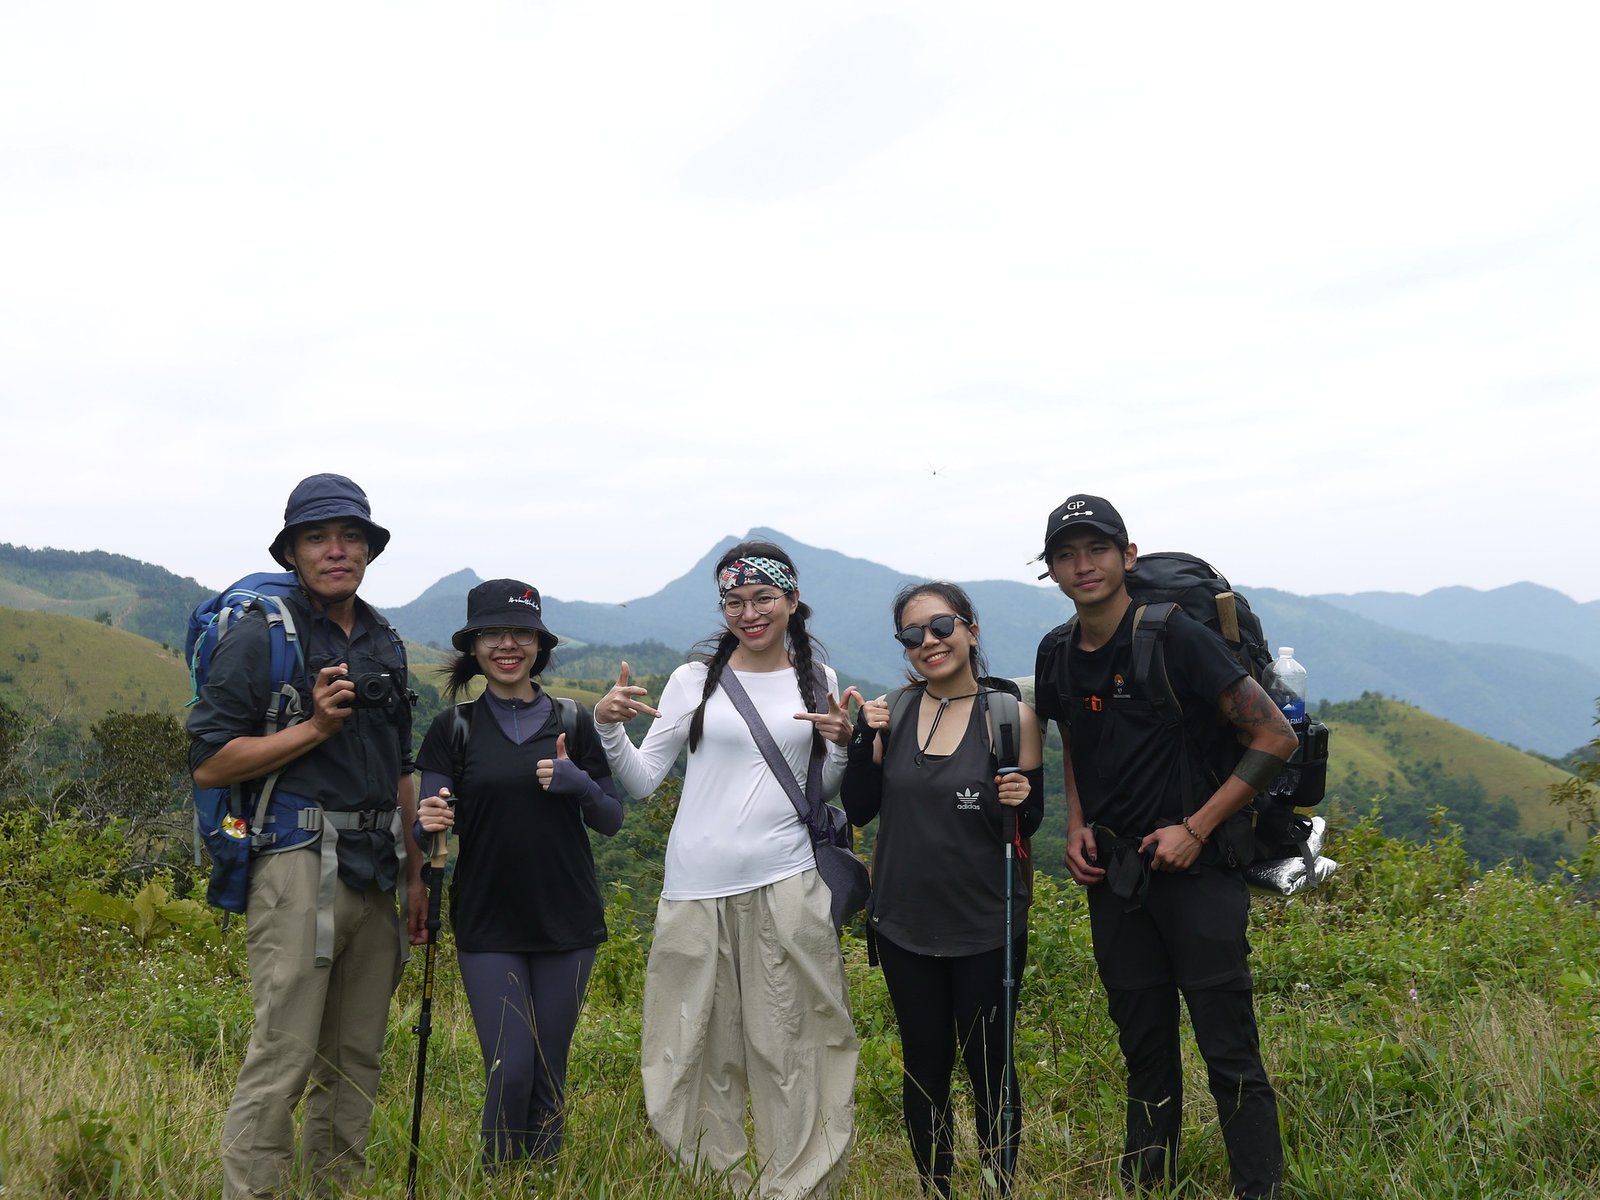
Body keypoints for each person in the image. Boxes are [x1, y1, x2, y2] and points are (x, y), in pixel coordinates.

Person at [1031, 495, 1297, 1200]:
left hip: (1200, 874)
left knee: (1228, 1048)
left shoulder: (1177, 636)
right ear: (1051, 569)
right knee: (1143, 1051)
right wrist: (1077, 826)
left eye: (1097, 550)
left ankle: (1258, 1189)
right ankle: (1147, 1186)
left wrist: (1197, 828)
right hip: (1117, 879)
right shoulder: (1057, 650)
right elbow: (1073, 746)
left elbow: (1274, 735)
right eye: (1067, 554)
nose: (1083, 565)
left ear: (1128, 556)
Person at [592, 539, 860, 1200]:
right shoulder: (693, 681)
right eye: (735, 600)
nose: (749, 611)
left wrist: (845, 748)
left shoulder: (816, 679)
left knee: (794, 1047)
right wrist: (605, 727)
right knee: (689, 1053)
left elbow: (816, 792)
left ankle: (795, 1189)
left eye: (763, 597)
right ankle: (724, 1185)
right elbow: (642, 781)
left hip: (788, 883)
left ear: (793, 601)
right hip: (694, 889)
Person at [187, 473, 426, 1199]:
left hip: (375, 868)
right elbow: (208, 762)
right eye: (319, 537)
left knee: (356, 1061)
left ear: (368, 549)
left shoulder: (383, 636)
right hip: (296, 863)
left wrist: (417, 873)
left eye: (351, 537)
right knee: (283, 1055)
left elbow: (401, 766)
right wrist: (315, 729)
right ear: (292, 550)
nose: (337, 551)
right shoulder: (261, 636)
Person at [413, 578, 623, 1173]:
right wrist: (426, 822)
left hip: (568, 917)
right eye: (493, 635)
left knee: (549, 1072)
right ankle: (499, 1178)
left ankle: (543, 1181)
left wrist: (576, 781)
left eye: (520, 633)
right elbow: (430, 822)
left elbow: (609, 817)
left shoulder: (574, 722)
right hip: (488, 918)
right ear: (474, 646)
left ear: (538, 644)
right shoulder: (453, 728)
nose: (507, 645)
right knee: (512, 1067)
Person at [841, 581, 1044, 1197]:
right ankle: (936, 1187)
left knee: (992, 1070)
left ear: (971, 631)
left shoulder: (1011, 716)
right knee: (924, 1070)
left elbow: (1025, 825)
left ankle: (995, 1187)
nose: (928, 642)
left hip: (987, 922)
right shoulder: (893, 713)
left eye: (942, 626)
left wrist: (1019, 798)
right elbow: (860, 807)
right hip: (903, 922)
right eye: (912, 634)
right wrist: (859, 741)